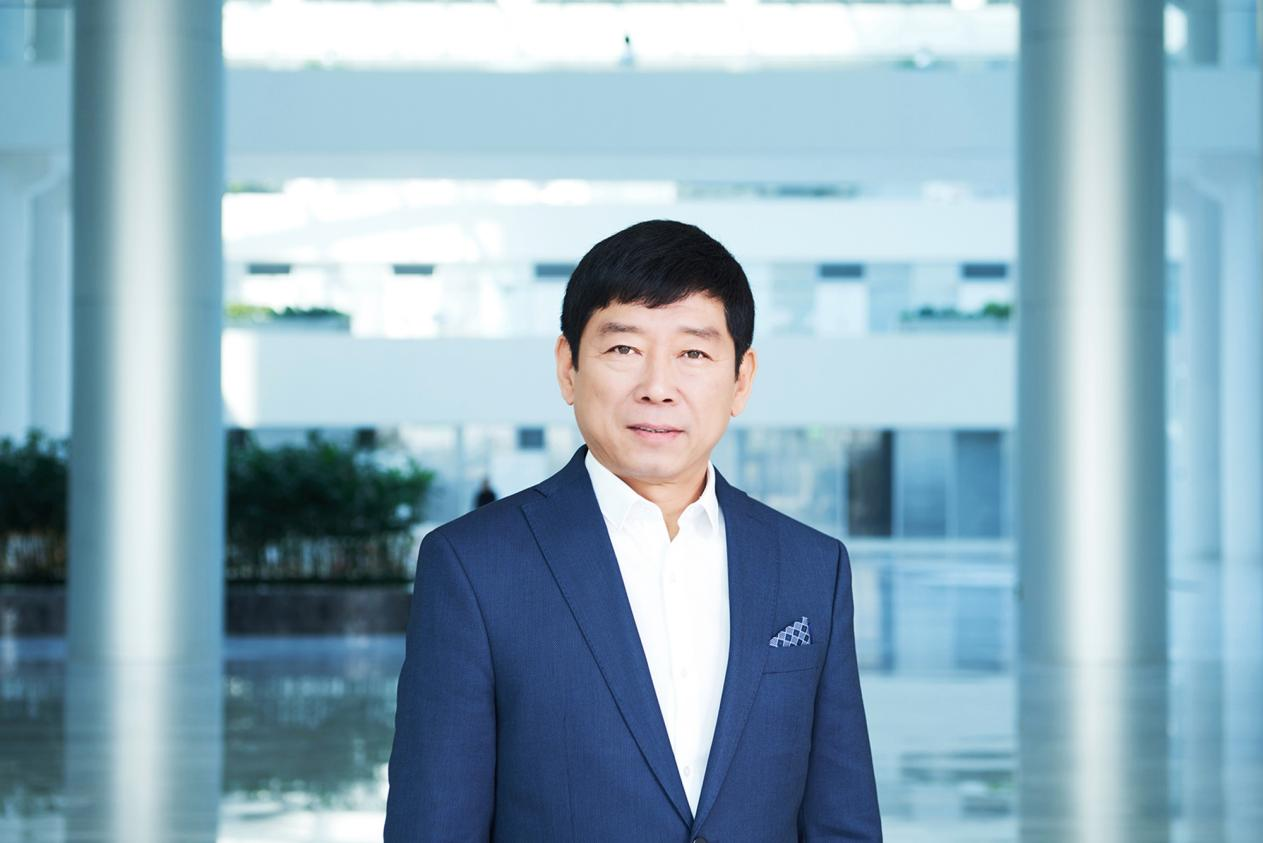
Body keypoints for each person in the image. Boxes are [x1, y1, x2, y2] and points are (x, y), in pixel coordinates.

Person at [384, 220, 881, 842]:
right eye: (623, 349)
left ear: (741, 379)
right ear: (568, 368)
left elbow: (842, 822)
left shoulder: (811, 567)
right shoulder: (474, 567)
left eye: (693, 354)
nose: (657, 389)